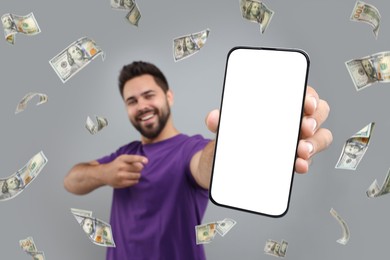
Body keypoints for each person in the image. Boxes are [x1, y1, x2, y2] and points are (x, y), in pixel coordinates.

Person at [64, 61, 332, 260]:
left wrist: (242, 135)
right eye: (131, 100)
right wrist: (105, 174)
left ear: (168, 96)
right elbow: (71, 181)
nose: (142, 105)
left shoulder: (189, 149)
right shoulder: (126, 152)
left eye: (149, 95)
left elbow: (205, 165)